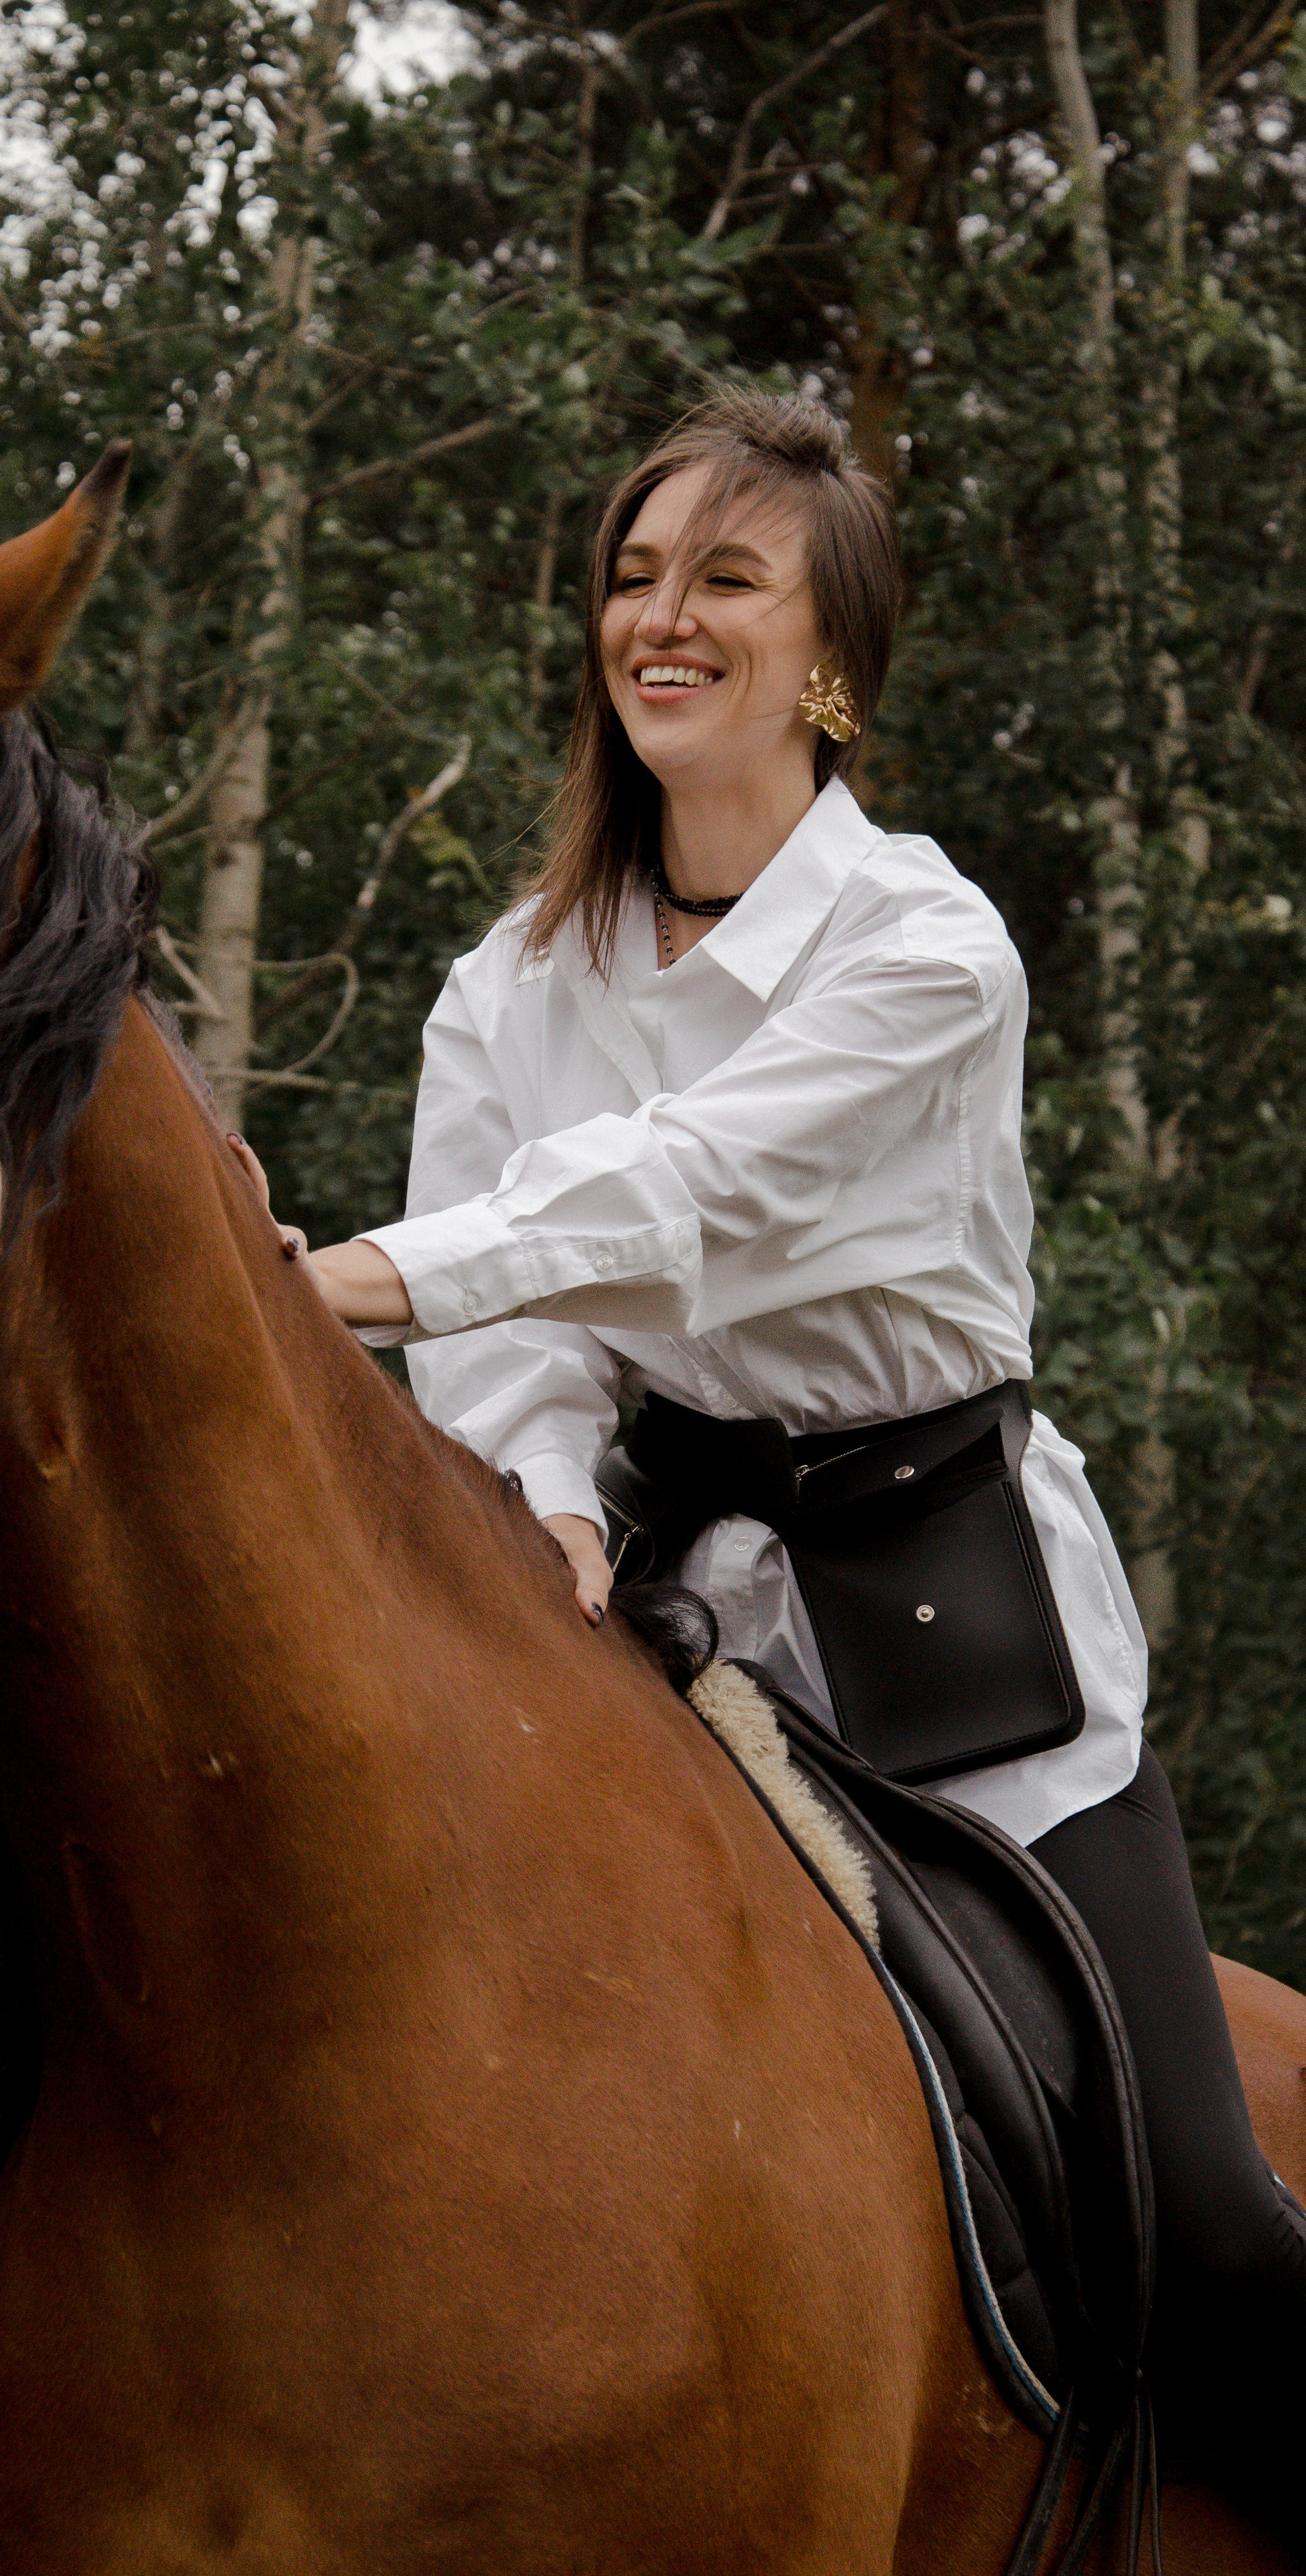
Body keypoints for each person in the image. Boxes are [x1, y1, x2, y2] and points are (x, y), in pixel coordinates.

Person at [271, 390, 1305, 2533]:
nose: (664, 616)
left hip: (963, 1627)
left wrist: (337, 1280)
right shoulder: (511, 980)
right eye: (636, 575)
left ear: (827, 659)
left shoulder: (926, 948)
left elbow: (679, 1185)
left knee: (1206, 2218)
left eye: (725, 578)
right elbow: (541, 1338)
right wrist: (544, 1488)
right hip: (664, 1598)